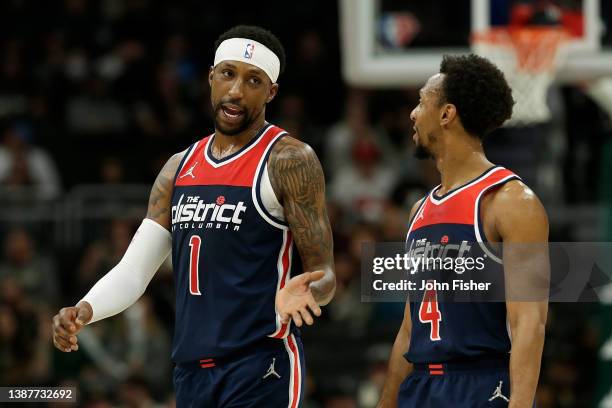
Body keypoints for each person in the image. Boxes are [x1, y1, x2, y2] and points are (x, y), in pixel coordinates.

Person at [52, 25, 336, 407]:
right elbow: (135, 271)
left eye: (253, 80)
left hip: (259, 365)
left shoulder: (289, 160)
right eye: (228, 74)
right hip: (190, 371)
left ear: (271, 92)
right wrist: (85, 309)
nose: (236, 90)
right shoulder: (177, 168)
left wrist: (309, 290)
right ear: (210, 78)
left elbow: (326, 274)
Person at [377, 54, 549, 407]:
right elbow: (410, 327)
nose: (412, 113)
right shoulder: (418, 210)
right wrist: (386, 401)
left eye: (421, 101)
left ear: (446, 114)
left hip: (481, 386)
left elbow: (528, 323)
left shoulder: (511, 201)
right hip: (421, 387)